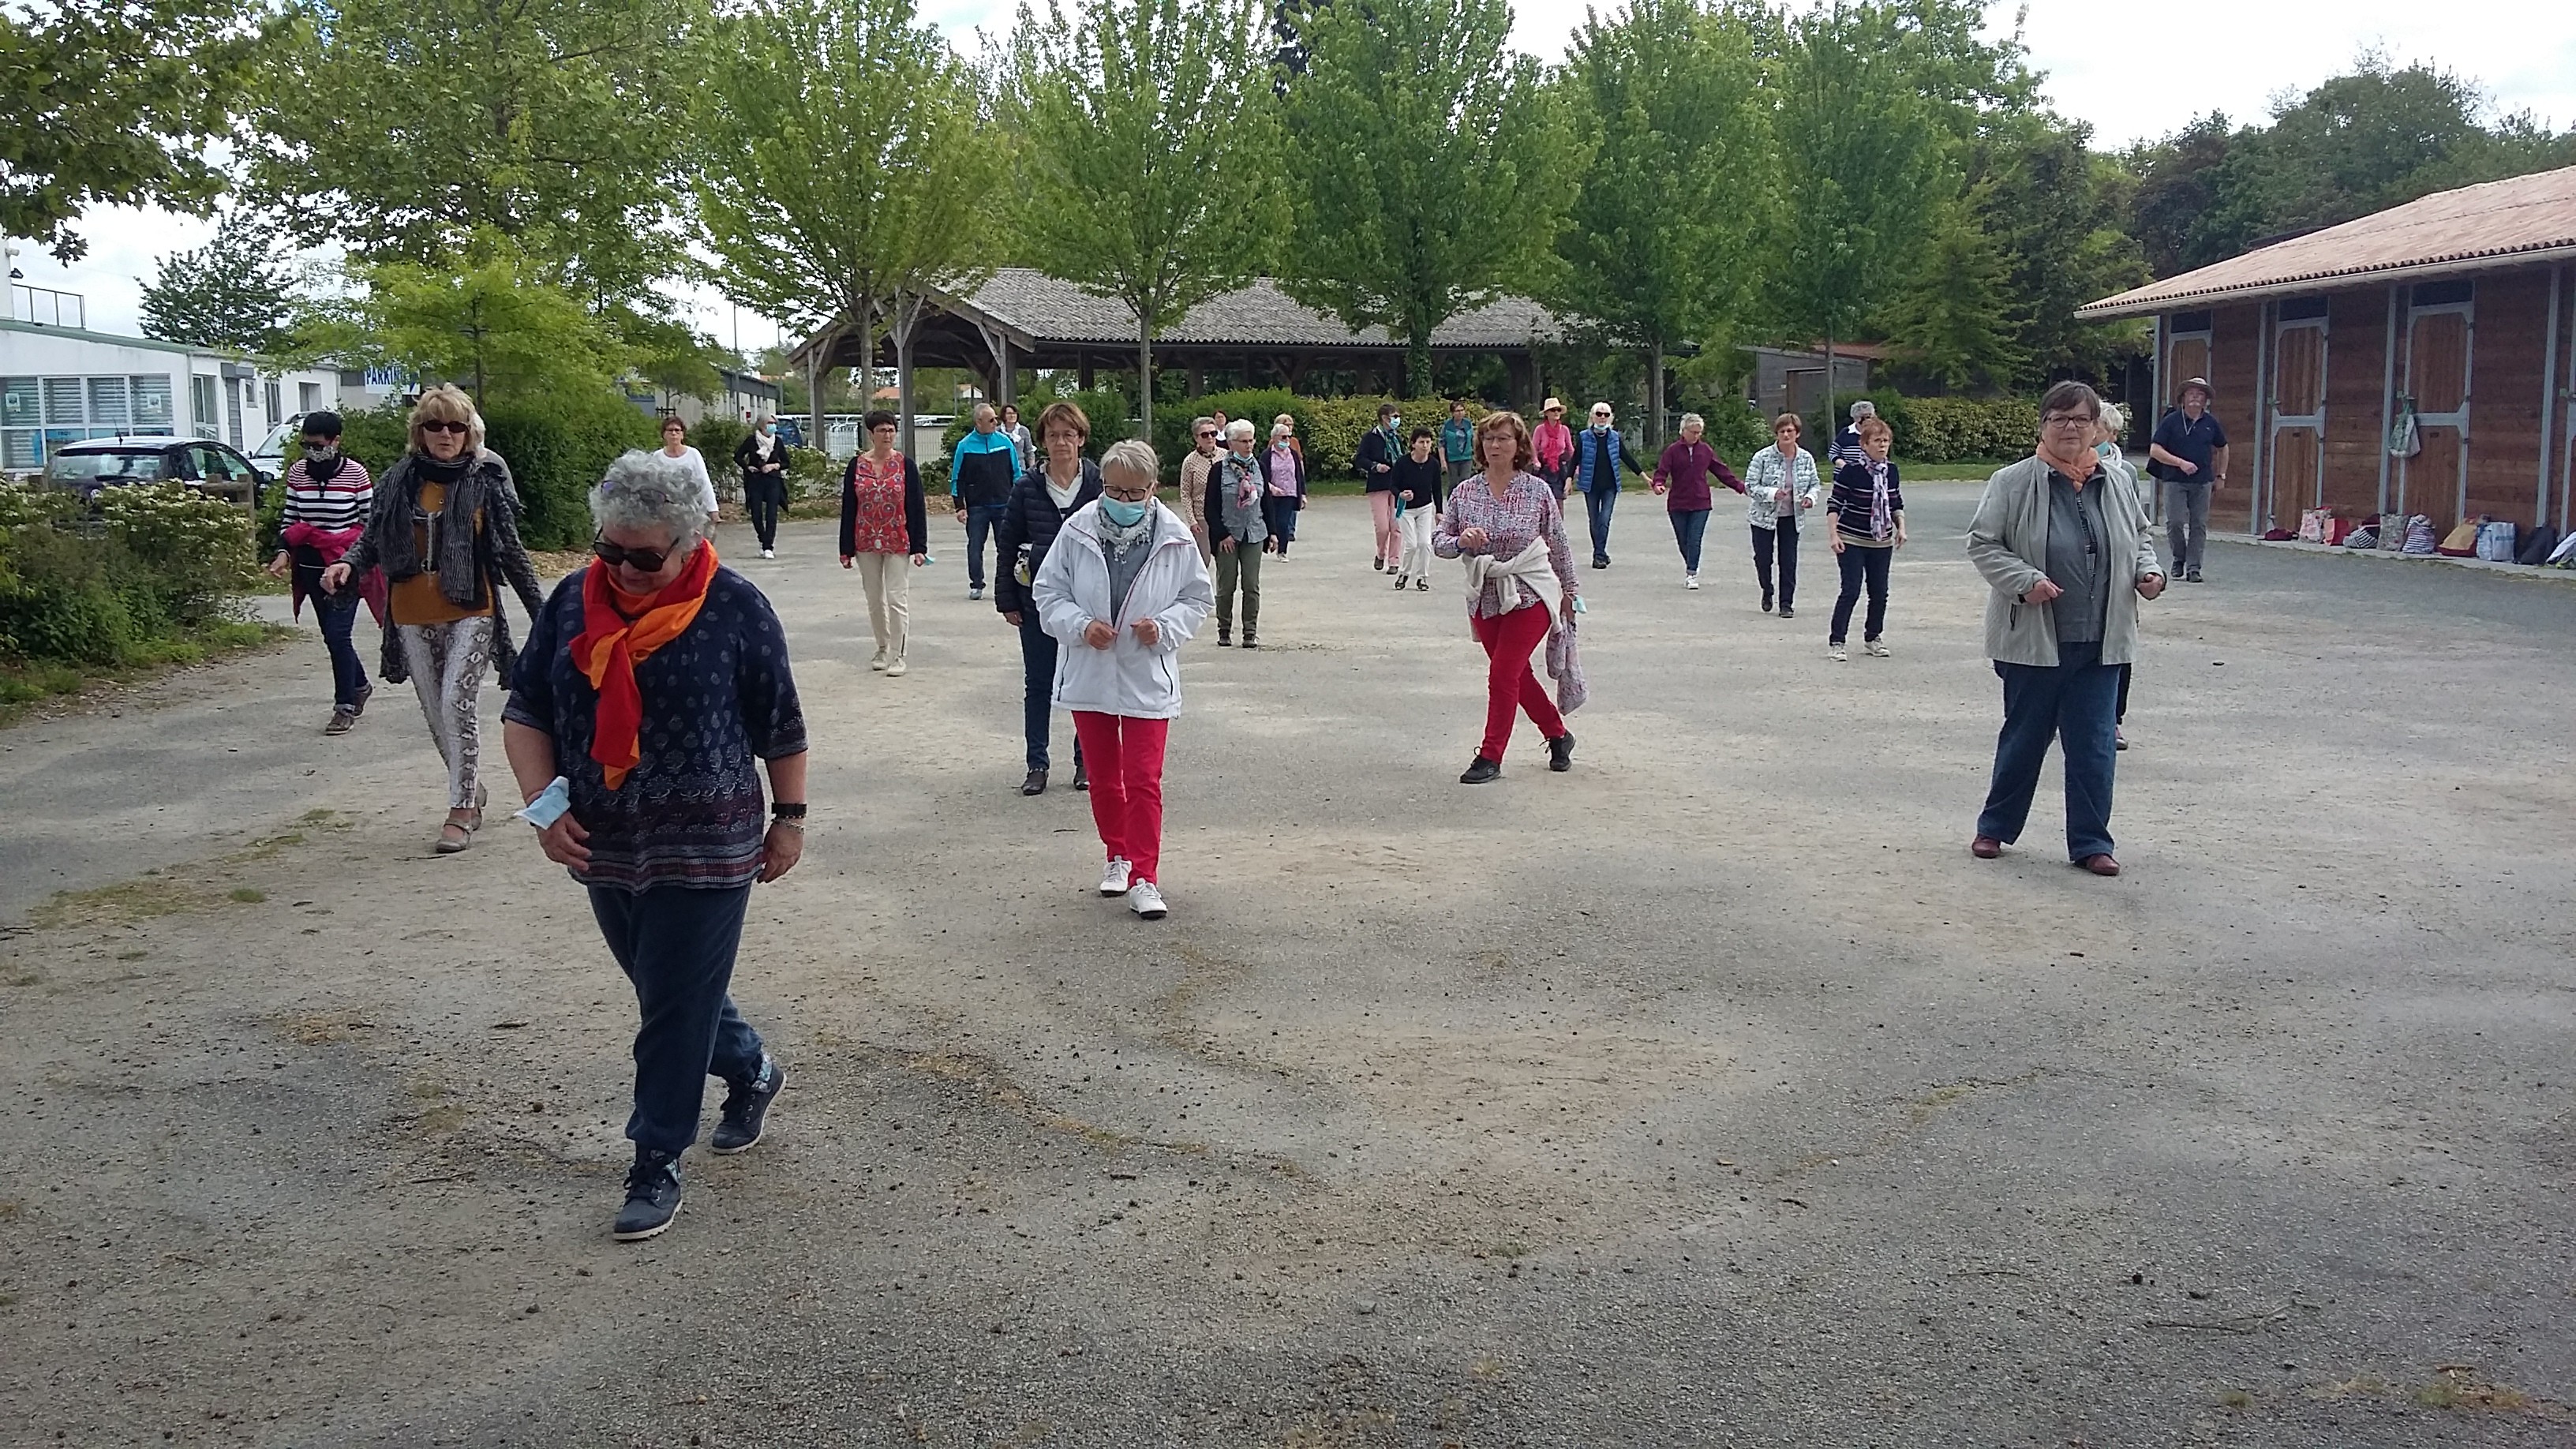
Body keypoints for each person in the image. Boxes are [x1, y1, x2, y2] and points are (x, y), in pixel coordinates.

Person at [501, 449, 807, 1241]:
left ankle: (654, 1158)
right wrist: (542, 806)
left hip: (709, 843)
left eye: (643, 556)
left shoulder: (736, 606)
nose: (624, 569)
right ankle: (751, 1069)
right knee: (666, 991)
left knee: (670, 1009)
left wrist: (791, 816)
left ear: (690, 538)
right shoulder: (573, 601)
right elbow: (528, 708)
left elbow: (780, 725)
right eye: (610, 549)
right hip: (604, 840)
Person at [321, 384, 547, 853]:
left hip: (471, 606)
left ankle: (461, 810)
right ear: (419, 432)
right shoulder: (398, 478)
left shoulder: (485, 480)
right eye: (435, 425)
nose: (445, 434)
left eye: (456, 426)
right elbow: (372, 537)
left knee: (455, 706)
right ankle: (471, 789)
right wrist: (349, 564)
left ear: (470, 433)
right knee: (434, 713)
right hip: (409, 609)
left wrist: (545, 615)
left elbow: (510, 551)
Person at [1968, 381, 2166, 877]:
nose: (2071, 428)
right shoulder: (2012, 481)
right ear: (2043, 426)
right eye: (2060, 419)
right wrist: (2025, 580)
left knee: (2095, 747)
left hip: (2101, 643)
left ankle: (2092, 843)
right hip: (2033, 641)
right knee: (2024, 739)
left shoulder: (2119, 481)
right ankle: (1994, 828)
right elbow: (1984, 544)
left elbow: (2141, 536)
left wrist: (2149, 571)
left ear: (2097, 427)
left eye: (2081, 419)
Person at [1032, 439, 1214, 921]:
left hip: (1146, 671)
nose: (1123, 501)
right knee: (1103, 778)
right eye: (1114, 490)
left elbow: (1198, 599)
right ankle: (1117, 855)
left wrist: (1165, 628)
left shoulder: (1174, 535)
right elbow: (1048, 591)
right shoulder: (1077, 530)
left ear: (1153, 489)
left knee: (1143, 779)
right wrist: (1079, 625)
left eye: (1135, 493)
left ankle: (1146, 878)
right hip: (1090, 671)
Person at [1433, 410, 1583, 784]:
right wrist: (1460, 541)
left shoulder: (1537, 491)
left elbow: (1559, 542)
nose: (1495, 445)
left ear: (1519, 446)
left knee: (1502, 673)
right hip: (1484, 595)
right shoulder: (1465, 491)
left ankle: (1490, 755)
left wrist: (1570, 591)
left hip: (1531, 592)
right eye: (1488, 439)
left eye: (1503, 438)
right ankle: (1558, 735)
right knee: (1517, 675)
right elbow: (1440, 542)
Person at [994, 402, 1101, 795]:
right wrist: (1006, 597)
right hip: (1036, 599)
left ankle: (1084, 761)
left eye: (1068, 435)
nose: (1061, 443)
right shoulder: (1026, 487)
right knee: (1038, 683)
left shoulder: (1097, 484)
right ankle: (1037, 763)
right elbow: (1006, 544)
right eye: (1053, 435)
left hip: (1089, 602)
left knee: (1085, 683)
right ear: (1042, 441)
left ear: (1081, 440)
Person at [266, 410, 379, 734]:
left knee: (338, 635)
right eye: (307, 445)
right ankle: (359, 685)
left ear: (336, 441)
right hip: (311, 566)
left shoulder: (356, 475)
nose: (312, 451)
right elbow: (290, 520)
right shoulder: (298, 474)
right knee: (332, 636)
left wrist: (355, 561)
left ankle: (344, 706)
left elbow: (370, 525)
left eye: (318, 445)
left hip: (346, 565)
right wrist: (283, 553)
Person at [838, 409, 930, 677]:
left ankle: (899, 654)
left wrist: (920, 546)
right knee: (874, 599)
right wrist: (845, 549)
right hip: (865, 539)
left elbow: (916, 506)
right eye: (882, 430)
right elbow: (849, 507)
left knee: (895, 598)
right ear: (871, 434)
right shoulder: (857, 466)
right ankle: (882, 646)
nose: (887, 435)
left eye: (891, 430)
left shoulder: (905, 465)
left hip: (897, 538)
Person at [1825, 416, 1907, 661]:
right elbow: (1834, 504)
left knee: (1879, 591)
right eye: (1877, 441)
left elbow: (1895, 502)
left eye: (1886, 441)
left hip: (1881, 540)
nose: (1882, 446)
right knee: (1850, 590)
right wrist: (1833, 535)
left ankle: (1873, 637)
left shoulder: (1891, 471)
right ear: (1864, 444)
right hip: (1852, 538)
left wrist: (1901, 528)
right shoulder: (1852, 471)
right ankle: (1837, 641)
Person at [2147, 377, 2228, 583]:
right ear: (2183, 398)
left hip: (2202, 481)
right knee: (2174, 522)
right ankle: (2178, 558)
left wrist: (2221, 475)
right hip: (2175, 479)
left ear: (2205, 400)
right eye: (2191, 394)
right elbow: (2155, 450)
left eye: (2200, 394)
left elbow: (2223, 448)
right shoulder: (2171, 421)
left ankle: (2194, 568)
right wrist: (2180, 463)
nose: (2195, 398)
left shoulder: (2211, 423)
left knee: (2198, 524)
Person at [1743, 413, 1822, 618]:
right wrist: (1772, 493)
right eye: (1782, 431)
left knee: (1788, 560)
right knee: (1763, 557)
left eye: (1790, 431)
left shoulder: (1805, 458)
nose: (1786, 435)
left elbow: (1815, 484)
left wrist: (1810, 498)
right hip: (1764, 515)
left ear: (1797, 434)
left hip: (1792, 515)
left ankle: (1786, 603)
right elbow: (1750, 486)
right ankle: (1767, 589)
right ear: (1776, 434)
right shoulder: (1762, 456)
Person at [1651, 412, 1741, 590]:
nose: (1696, 436)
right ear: (1683, 431)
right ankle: (1691, 563)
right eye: (1693, 432)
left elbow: (1720, 470)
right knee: (1683, 540)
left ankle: (1692, 573)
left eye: (1699, 432)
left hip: (1701, 502)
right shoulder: (1672, 451)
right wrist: (1659, 484)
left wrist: (1739, 486)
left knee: (1695, 539)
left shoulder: (1705, 450)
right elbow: (1662, 471)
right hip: (1678, 503)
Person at [2094, 404, 2137, 751]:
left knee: (2120, 653)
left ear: (2111, 435)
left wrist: (2145, 570)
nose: (2091, 434)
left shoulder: (2127, 474)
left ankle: (2114, 721)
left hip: (2119, 582)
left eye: (2099, 428)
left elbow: (2137, 528)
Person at [949, 402, 1022, 602]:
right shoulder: (965, 446)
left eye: (995, 419)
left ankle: (1008, 584)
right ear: (978, 422)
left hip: (1004, 504)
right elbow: (957, 478)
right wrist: (959, 506)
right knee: (975, 546)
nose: (995, 422)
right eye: (991, 420)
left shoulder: (1005, 442)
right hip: (977, 506)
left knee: (1006, 548)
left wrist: (1018, 500)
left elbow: (1016, 472)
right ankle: (976, 584)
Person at [1205, 418, 1268, 648]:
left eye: (1251, 440)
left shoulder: (1259, 467)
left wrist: (1272, 533)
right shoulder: (1218, 471)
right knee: (1226, 586)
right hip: (1228, 536)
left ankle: (1250, 632)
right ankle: (1224, 630)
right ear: (1231, 443)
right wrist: (1222, 535)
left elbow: (1266, 501)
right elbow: (1210, 507)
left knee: (1251, 585)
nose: (1249, 445)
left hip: (1254, 532)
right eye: (1243, 441)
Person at [1569, 401, 1646, 569]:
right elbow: (1575, 459)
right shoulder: (1584, 437)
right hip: (1590, 485)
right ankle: (1601, 553)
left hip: (1610, 486)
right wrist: (1568, 479)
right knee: (1594, 520)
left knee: (1604, 520)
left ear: (1610, 417)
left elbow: (1627, 458)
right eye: (1599, 414)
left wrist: (1644, 477)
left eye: (1605, 414)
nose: (1602, 417)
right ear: (1592, 416)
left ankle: (1599, 555)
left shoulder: (1614, 438)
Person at [1390, 426, 1446, 590]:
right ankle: (1404, 574)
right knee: (1412, 544)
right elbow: (1393, 485)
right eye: (1422, 442)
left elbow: (1436, 488)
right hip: (1405, 509)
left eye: (1428, 442)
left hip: (1424, 507)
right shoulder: (1402, 463)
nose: (1425, 446)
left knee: (1425, 543)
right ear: (1413, 444)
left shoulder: (1433, 464)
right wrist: (1401, 494)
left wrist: (1439, 511)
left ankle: (1422, 578)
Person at [1355, 402, 1405, 571]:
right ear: (1385, 418)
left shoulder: (1397, 438)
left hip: (1397, 486)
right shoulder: (1371, 437)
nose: (1397, 420)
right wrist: (1375, 466)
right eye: (1395, 416)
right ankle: (1381, 554)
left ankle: (1394, 562)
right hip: (1378, 485)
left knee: (1396, 526)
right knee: (1383, 527)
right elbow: (1360, 459)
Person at [733, 416, 789, 559]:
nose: (772, 426)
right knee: (756, 513)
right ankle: (762, 538)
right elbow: (738, 456)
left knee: (772, 513)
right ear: (762, 425)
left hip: (773, 480)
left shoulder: (777, 442)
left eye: (774, 424)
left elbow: (786, 462)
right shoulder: (752, 441)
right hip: (755, 480)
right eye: (769, 423)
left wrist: (774, 466)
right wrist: (748, 467)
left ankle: (768, 546)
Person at [657, 416, 717, 526]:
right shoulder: (657, 456)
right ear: (664, 434)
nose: (674, 433)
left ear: (682, 434)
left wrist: (713, 509)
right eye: (670, 430)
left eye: (677, 430)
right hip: (667, 511)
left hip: (692, 509)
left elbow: (704, 481)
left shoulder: (693, 454)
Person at [1262, 420, 1307, 557]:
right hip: (1272, 494)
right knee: (1271, 521)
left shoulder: (1293, 454)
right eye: (1283, 437)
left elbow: (1299, 475)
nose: (1287, 440)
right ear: (1274, 438)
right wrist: (1271, 487)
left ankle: (1282, 551)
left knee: (1284, 523)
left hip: (1289, 493)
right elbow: (1261, 475)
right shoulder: (1267, 455)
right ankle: (1269, 543)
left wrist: (1303, 494)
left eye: (1288, 436)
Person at [1178, 416, 1219, 560]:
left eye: (1213, 433)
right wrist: (1192, 521)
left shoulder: (1226, 456)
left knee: (1225, 557)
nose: (1210, 438)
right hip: (1202, 516)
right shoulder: (1190, 462)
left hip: (1223, 515)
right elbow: (1185, 493)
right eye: (1204, 435)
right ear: (1197, 438)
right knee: (1204, 559)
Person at [1533, 398, 1574, 497]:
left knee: (1559, 501)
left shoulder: (1564, 430)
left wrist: (1575, 467)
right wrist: (1535, 462)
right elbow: (1533, 448)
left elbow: (1571, 449)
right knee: (1543, 500)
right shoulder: (1540, 429)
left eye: (1558, 410)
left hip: (1559, 469)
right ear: (1546, 413)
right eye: (1553, 410)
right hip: (1544, 468)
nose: (1556, 412)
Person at [1440, 399, 1477, 491]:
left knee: (1465, 482)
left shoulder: (1468, 423)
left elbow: (1473, 439)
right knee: (1453, 483)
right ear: (1452, 413)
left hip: (1466, 458)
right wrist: (1443, 461)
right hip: (1452, 459)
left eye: (1462, 410)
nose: (1460, 413)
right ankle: (1451, 502)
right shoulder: (1447, 425)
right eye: (1457, 411)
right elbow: (1441, 443)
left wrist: (1477, 455)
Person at [1832, 399, 1877, 470]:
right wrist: (1843, 465)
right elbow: (1833, 452)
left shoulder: (1878, 433)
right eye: (1863, 417)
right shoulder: (1846, 433)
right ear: (1855, 418)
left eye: (1869, 416)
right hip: (1846, 475)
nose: (1866, 420)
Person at [999, 403, 1034, 469]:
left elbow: (1029, 451)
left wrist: (1032, 468)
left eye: (1014, 413)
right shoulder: (997, 431)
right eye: (1009, 413)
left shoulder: (1024, 431)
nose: (1012, 416)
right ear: (1004, 416)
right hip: (1002, 467)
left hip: (1020, 467)